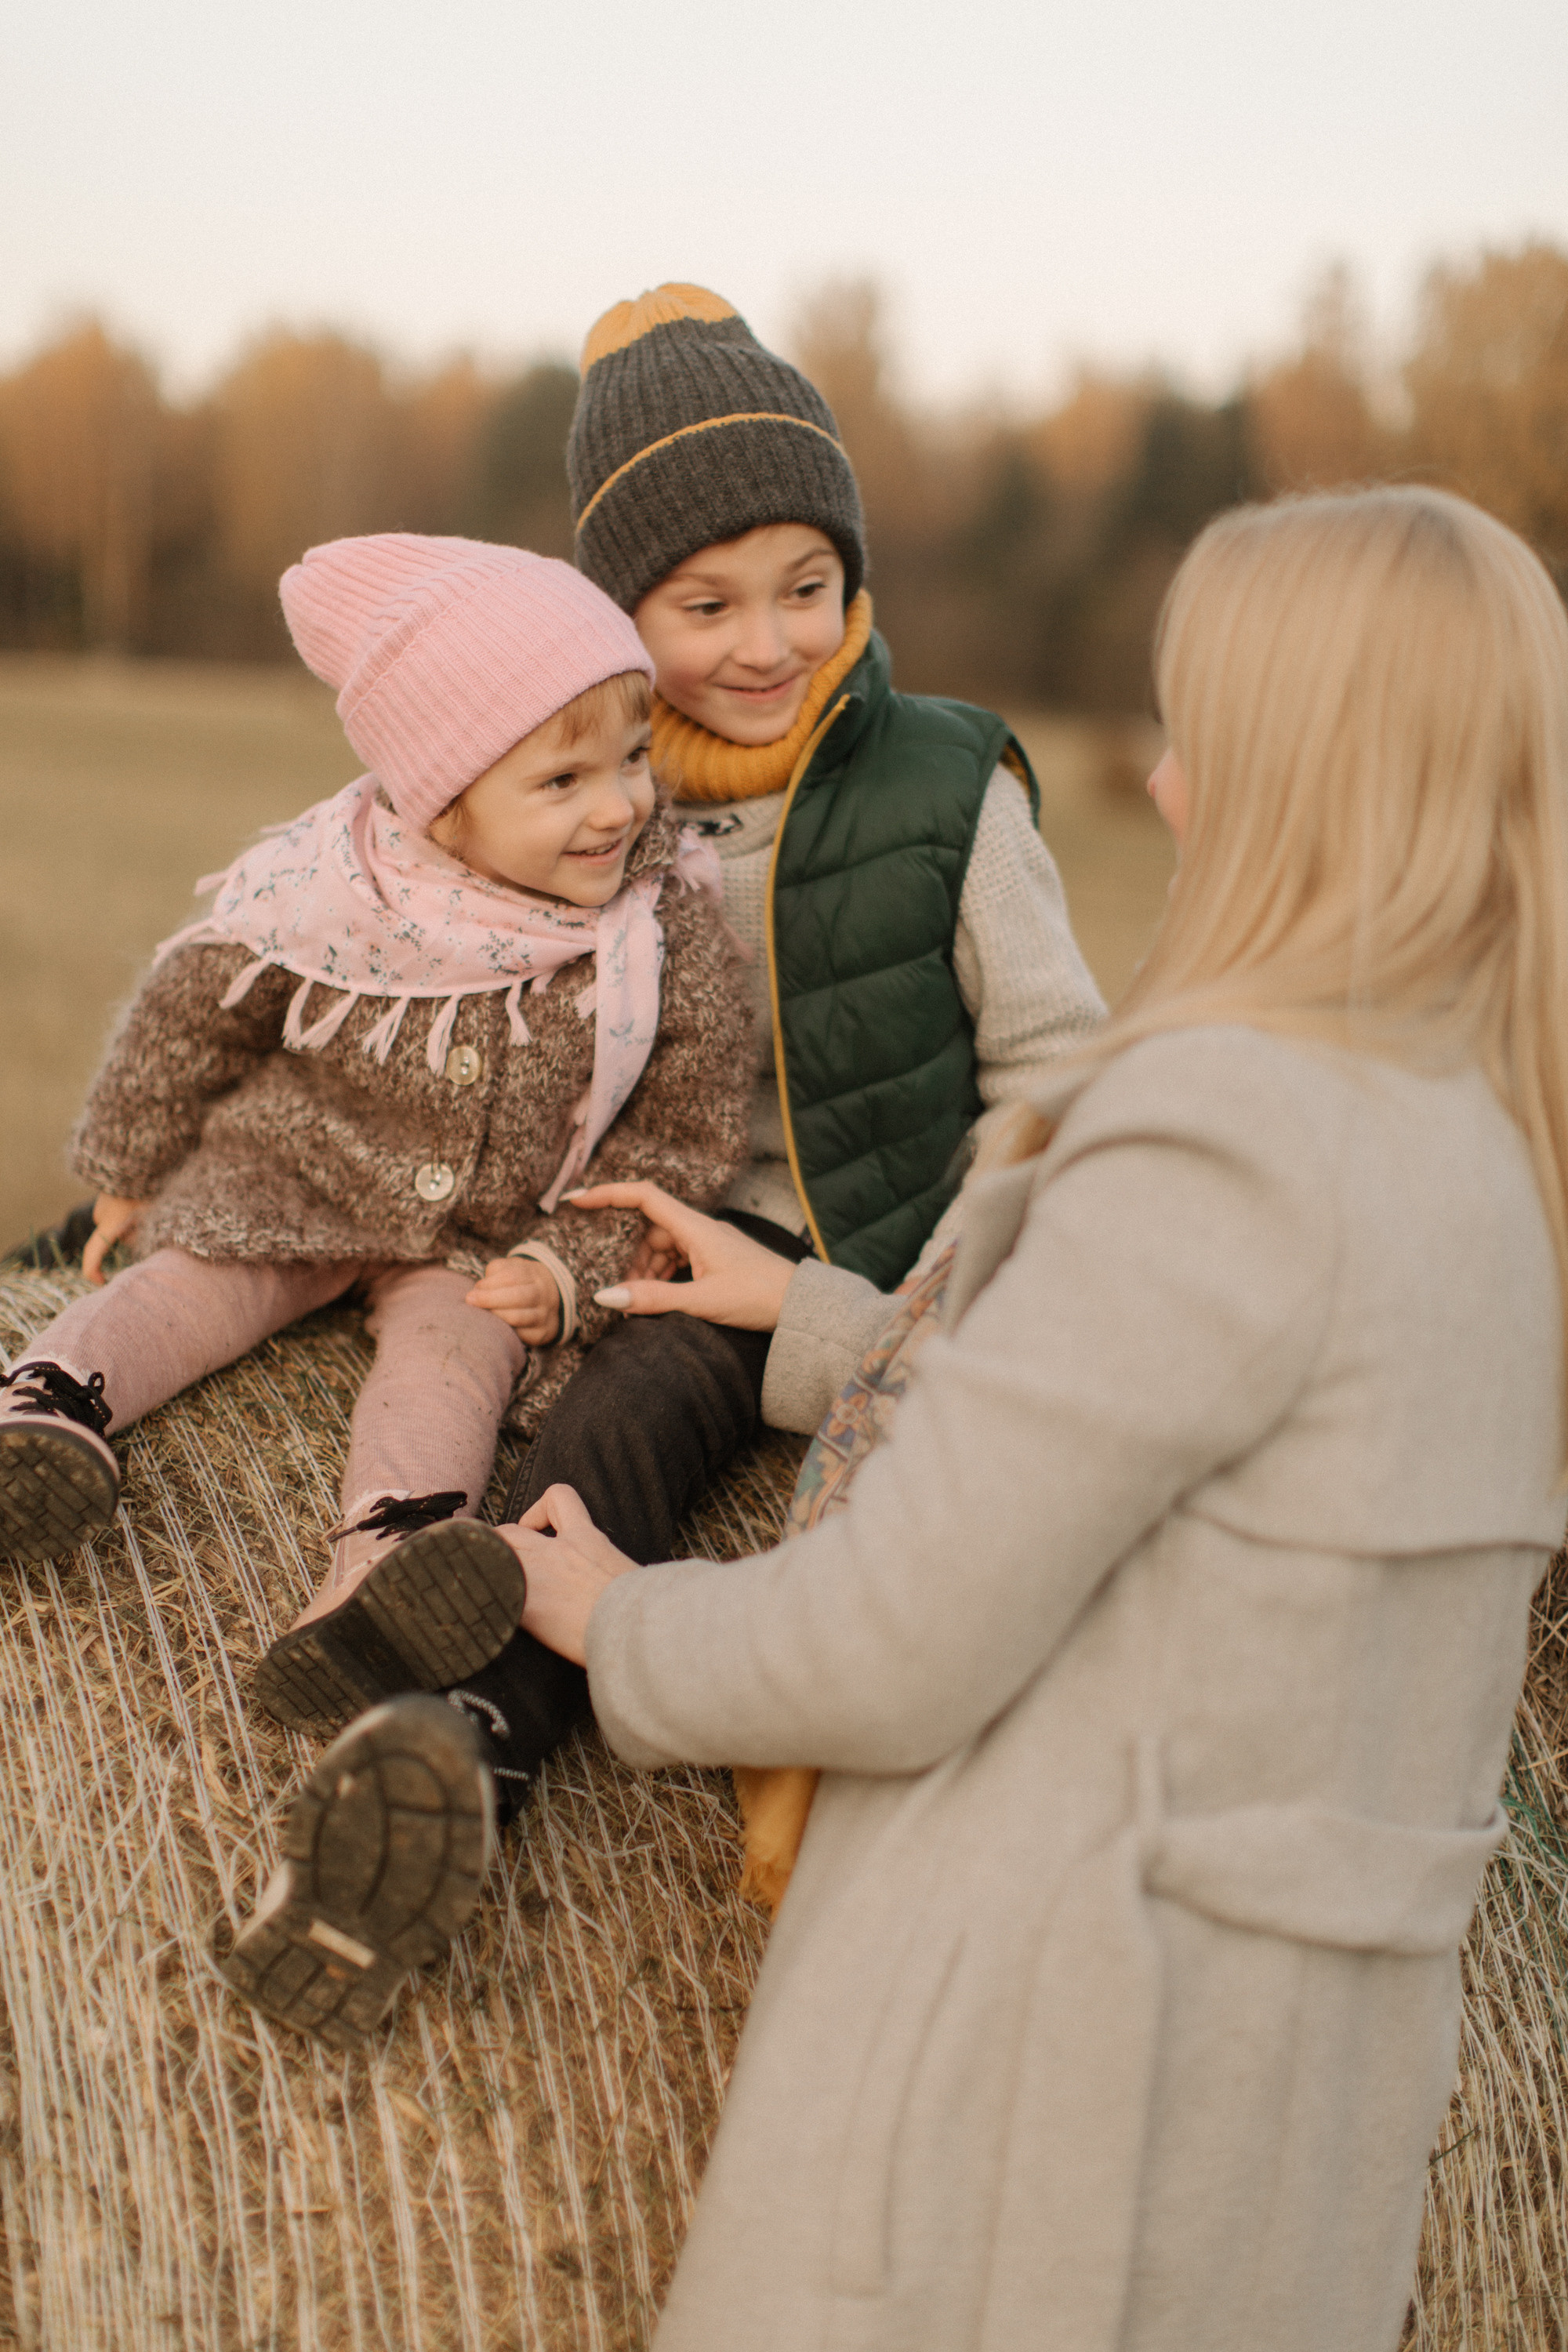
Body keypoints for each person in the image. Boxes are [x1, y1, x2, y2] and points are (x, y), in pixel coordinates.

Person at [278, 485, 1568, 2337]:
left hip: (1021, 2150)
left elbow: (896, 1641)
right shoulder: (1494, 1161)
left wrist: (609, 1613)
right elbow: (1208, 1467)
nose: (1171, 788)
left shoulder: (1228, 1132)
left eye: (1202, 736)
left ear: (1302, 775)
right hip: (1278, 2178)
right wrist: (817, 1325)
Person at [0, 535, 752, 1958]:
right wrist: (127, 1173)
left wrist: (568, 1272)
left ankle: (390, 1561)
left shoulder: (669, 925)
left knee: (458, 1353)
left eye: (633, 758)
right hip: (297, 1173)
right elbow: (189, 1012)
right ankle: (48, 1408)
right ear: (440, 802)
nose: (619, 807)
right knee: (193, 1283)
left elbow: (683, 1142)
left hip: (485, 1231)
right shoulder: (335, 893)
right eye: (563, 780)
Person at [429, 279, 1106, 1795]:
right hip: (669, 1231)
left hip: (876, 1257)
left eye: (806, 586)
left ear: (852, 576)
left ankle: (493, 1726)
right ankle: (454, 1734)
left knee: (658, 1402)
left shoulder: (948, 785)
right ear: (619, 619)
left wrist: (940, 1288)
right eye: (705, 605)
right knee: (553, 1403)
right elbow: (437, 989)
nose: (768, 643)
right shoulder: (599, 800)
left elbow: (1063, 1079)